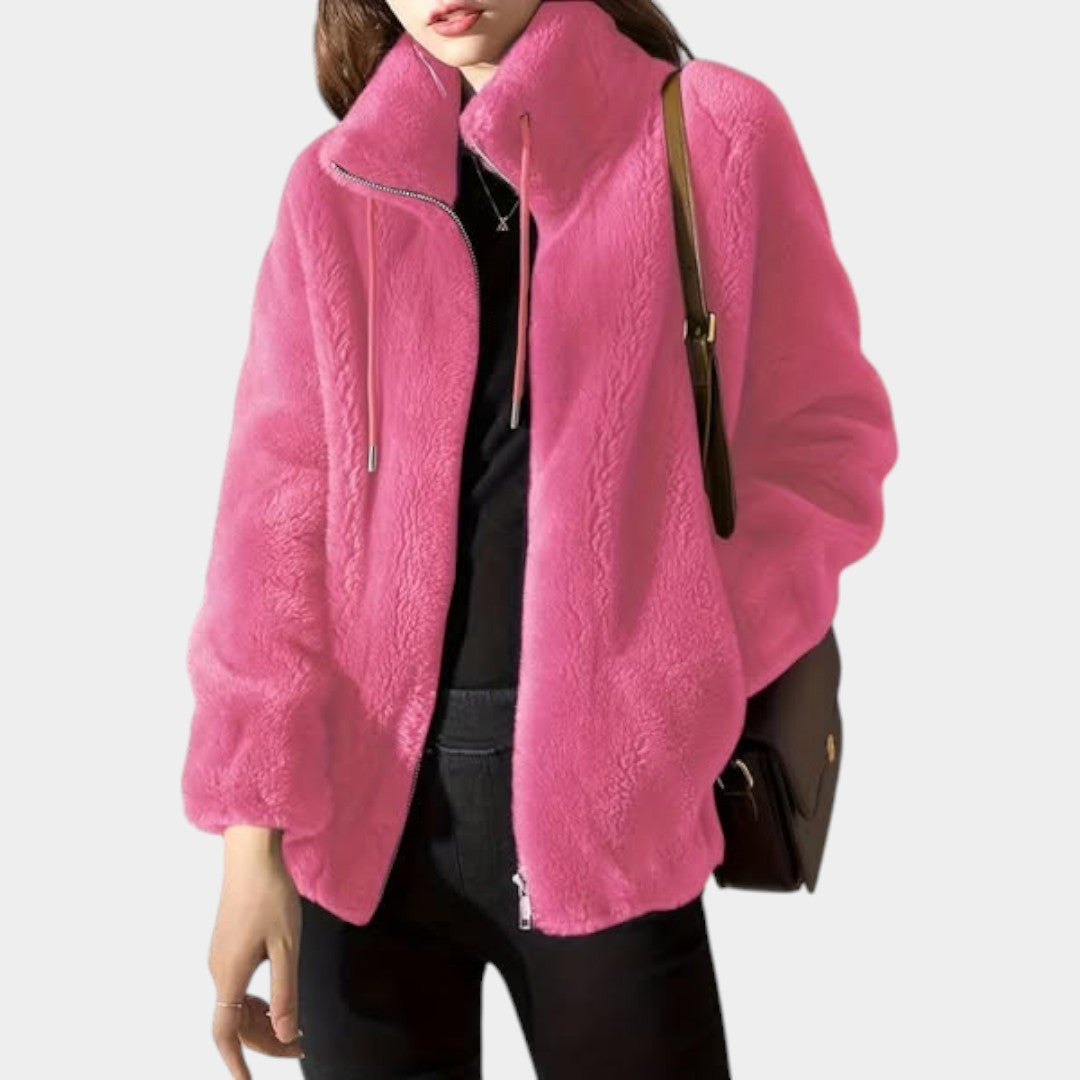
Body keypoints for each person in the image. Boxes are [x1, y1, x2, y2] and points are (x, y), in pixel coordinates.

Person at [180, 1, 899, 1077]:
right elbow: (272, 528)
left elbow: (825, 446)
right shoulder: (335, 191)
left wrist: (678, 666)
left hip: (608, 818)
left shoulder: (711, 133)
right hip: (366, 837)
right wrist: (253, 837)